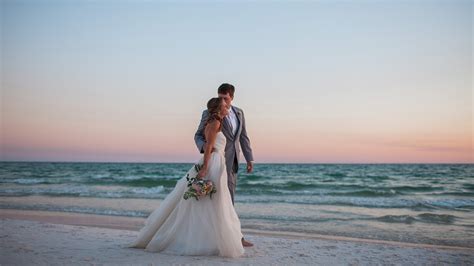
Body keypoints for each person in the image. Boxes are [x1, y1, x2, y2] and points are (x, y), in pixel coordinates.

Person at [127, 97, 245, 258]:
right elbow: (209, 146)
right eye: (225, 106)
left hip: (219, 163)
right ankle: (200, 239)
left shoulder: (218, 121)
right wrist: (204, 168)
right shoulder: (214, 123)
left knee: (215, 201)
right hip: (212, 162)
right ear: (218, 108)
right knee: (209, 201)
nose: (227, 107)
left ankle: (211, 239)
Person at [194, 83, 255, 247]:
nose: (222, 101)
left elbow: (243, 137)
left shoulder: (239, 113)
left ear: (232, 97)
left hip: (232, 161)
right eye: (220, 97)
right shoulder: (208, 113)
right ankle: (223, 238)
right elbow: (198, 135)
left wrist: (249, 158)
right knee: (212, 199)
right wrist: (206, 147)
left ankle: (235, 237)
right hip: (215, 162)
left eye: (225, 98)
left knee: (229, 200)